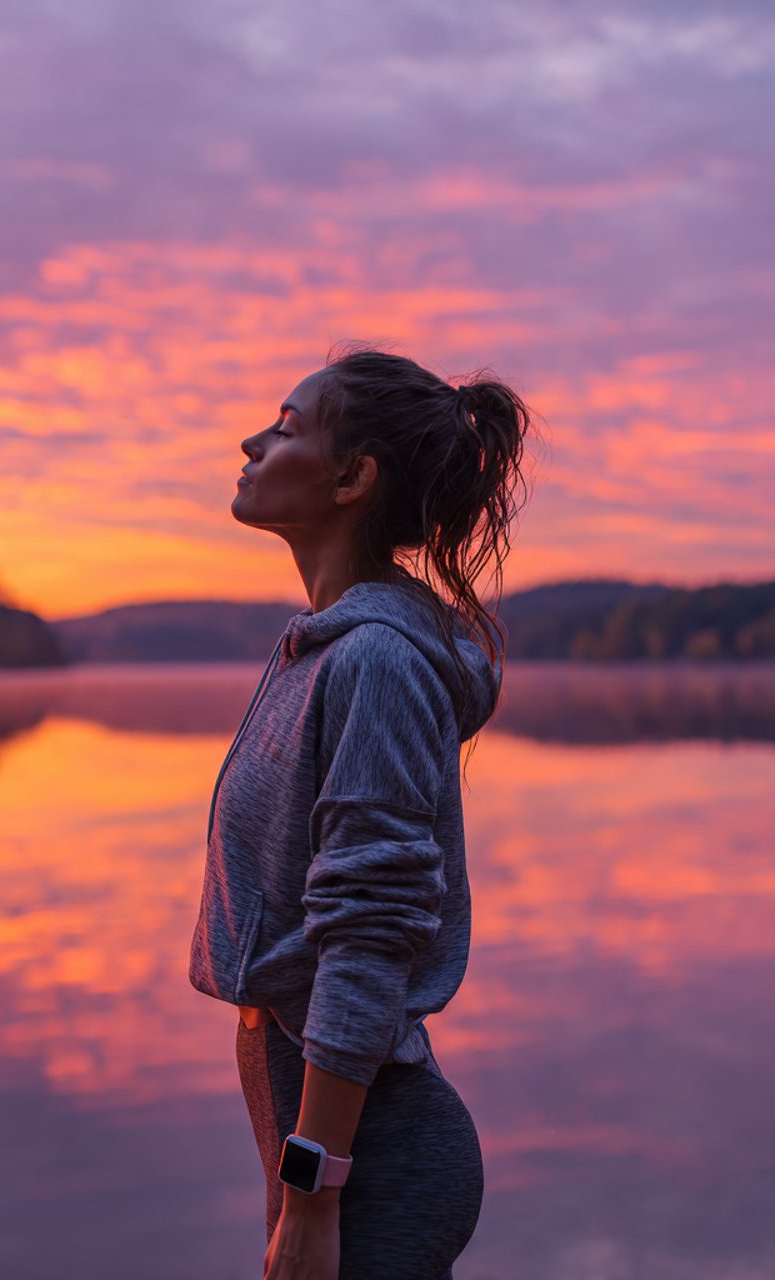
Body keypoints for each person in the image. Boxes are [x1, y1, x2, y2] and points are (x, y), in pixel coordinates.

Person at [188, 340, 538, 1279]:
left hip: (365, 1160)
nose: (253, 442)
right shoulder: (321, 651)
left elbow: (369, 938)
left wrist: (312, 1195)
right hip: (326, 1143)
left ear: (352, 476)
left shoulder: (374, 663)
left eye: (288, 428)